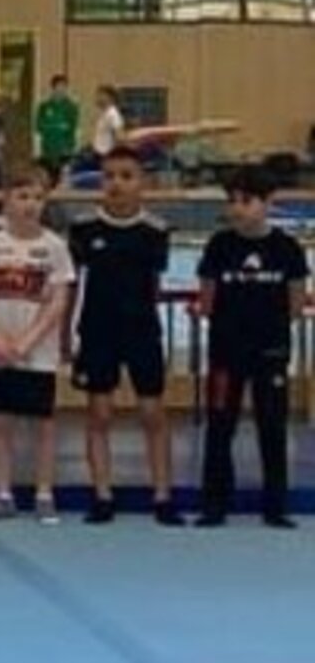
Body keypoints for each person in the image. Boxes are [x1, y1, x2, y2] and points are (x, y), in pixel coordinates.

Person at [69, 147, 179, 527]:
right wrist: (67, 332)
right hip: (98, 330)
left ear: (142, 182)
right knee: (99, 413)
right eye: (109, 176)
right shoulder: (84, 228)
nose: (117, 184)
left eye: (126, 176)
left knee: (152, 413)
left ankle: (162, 495)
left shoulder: (155, 231)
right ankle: (102, 495)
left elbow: (154, 283)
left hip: (142, 330)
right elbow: (73, 283)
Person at [194, 166, 307, 528]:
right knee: (220, 426)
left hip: (271, 351)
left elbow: (296, 301)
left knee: (272, 427)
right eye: (232, 201)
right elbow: (207, 299)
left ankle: (275, 506)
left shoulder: (287, 248)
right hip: (225, 352)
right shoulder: (219, 245)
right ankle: (214, 504)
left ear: (268, 202)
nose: (237, 209)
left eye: (246, 201)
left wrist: (270, 328)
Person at [0, 170, 76, 523]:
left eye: (38, 198)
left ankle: (44, 494)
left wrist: (29, 340)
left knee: (42, 423)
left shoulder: (55, 247)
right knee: (1, 422)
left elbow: (58, 300)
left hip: (38, 352)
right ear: (7, 201)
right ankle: (3, 494)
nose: (30, 205)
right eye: (23, 196)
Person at [36, 74, 82, 177]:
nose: (61, 89)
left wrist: (72, 148)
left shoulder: (71, 106)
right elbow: (39, 126)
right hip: (48, 148)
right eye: (58, 86)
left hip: (65, 149)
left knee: (63, 176)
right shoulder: (44, 106)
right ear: (53, 88)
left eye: (64, 87)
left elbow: (74, 127)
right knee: (49, 176)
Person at [90, 84, 127, 164]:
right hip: (98, 153)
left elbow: (120, 136)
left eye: (101, 95)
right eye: (97, 95)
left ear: (110, 98)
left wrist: (115, 156)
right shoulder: (104, 113)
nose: (98, 98)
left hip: (106, 155)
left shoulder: (113, 114)